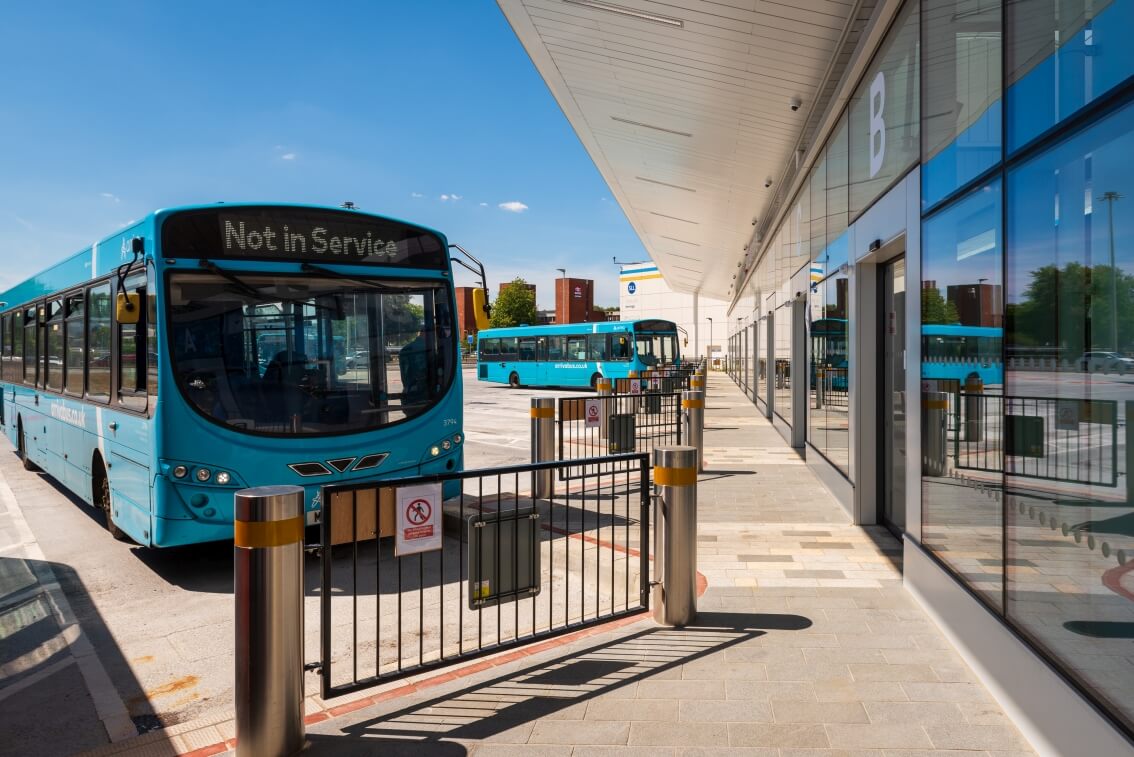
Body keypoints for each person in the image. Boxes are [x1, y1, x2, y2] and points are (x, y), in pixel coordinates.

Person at [399, 328, 429, 406]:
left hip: (408, 393)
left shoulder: (405, 349)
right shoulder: (428, 348)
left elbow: (404, 372)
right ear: (426, 334)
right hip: (423, 394)